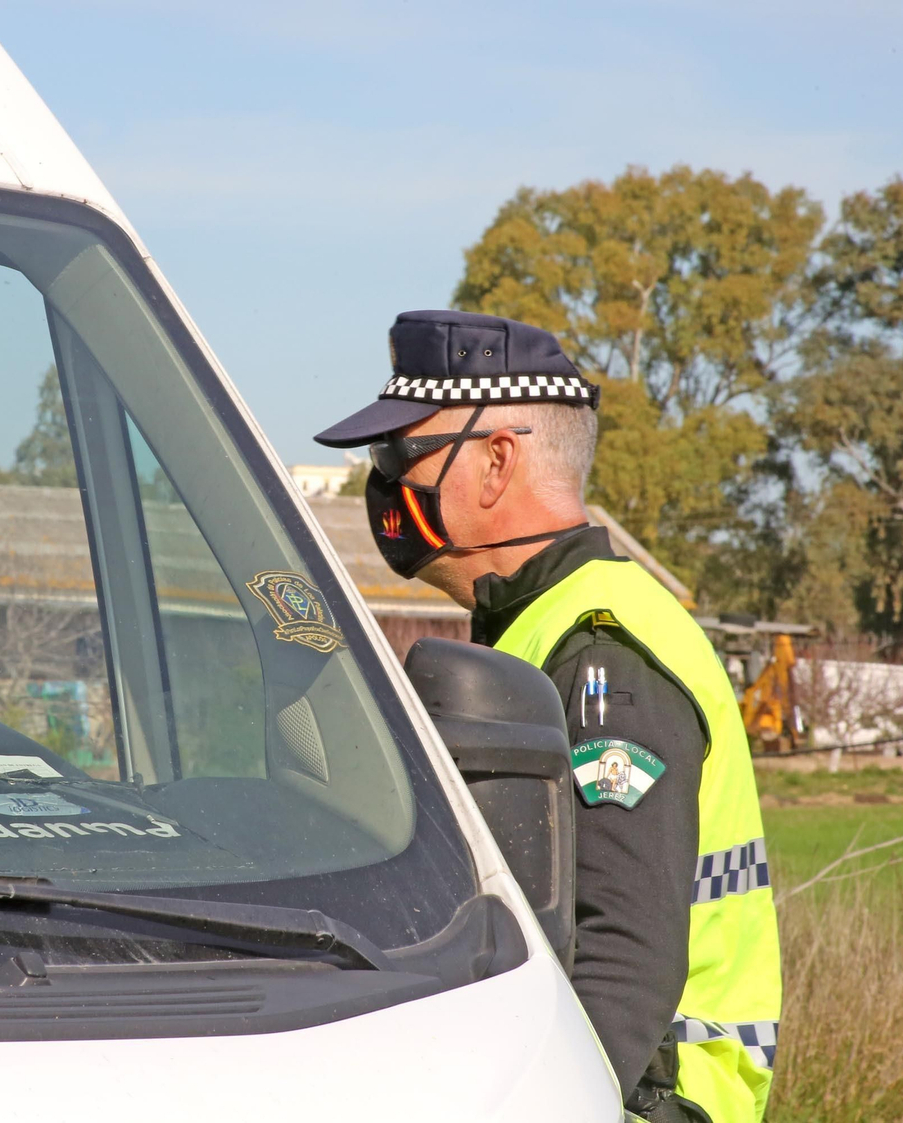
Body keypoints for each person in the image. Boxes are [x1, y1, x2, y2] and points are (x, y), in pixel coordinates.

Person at [315, 310, 781, 1123]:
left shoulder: (605, 651)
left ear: (497, 462)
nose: (383, 485)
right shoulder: (533, 625)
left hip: (647, 1099)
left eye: (401, 454)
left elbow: (621, 957)